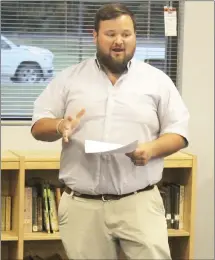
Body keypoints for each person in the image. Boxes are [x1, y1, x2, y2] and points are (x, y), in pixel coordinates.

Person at [31, 3, 189, 260]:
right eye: (110, 34)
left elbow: (179, 132)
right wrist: (61, 125)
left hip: (139, 203)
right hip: (83, 205)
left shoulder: (157, 81)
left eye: (126, 34)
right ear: (95, 36)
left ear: (134, 36)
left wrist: (152, 149)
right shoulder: (69, 79)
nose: (119, 41)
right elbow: (39, 126)